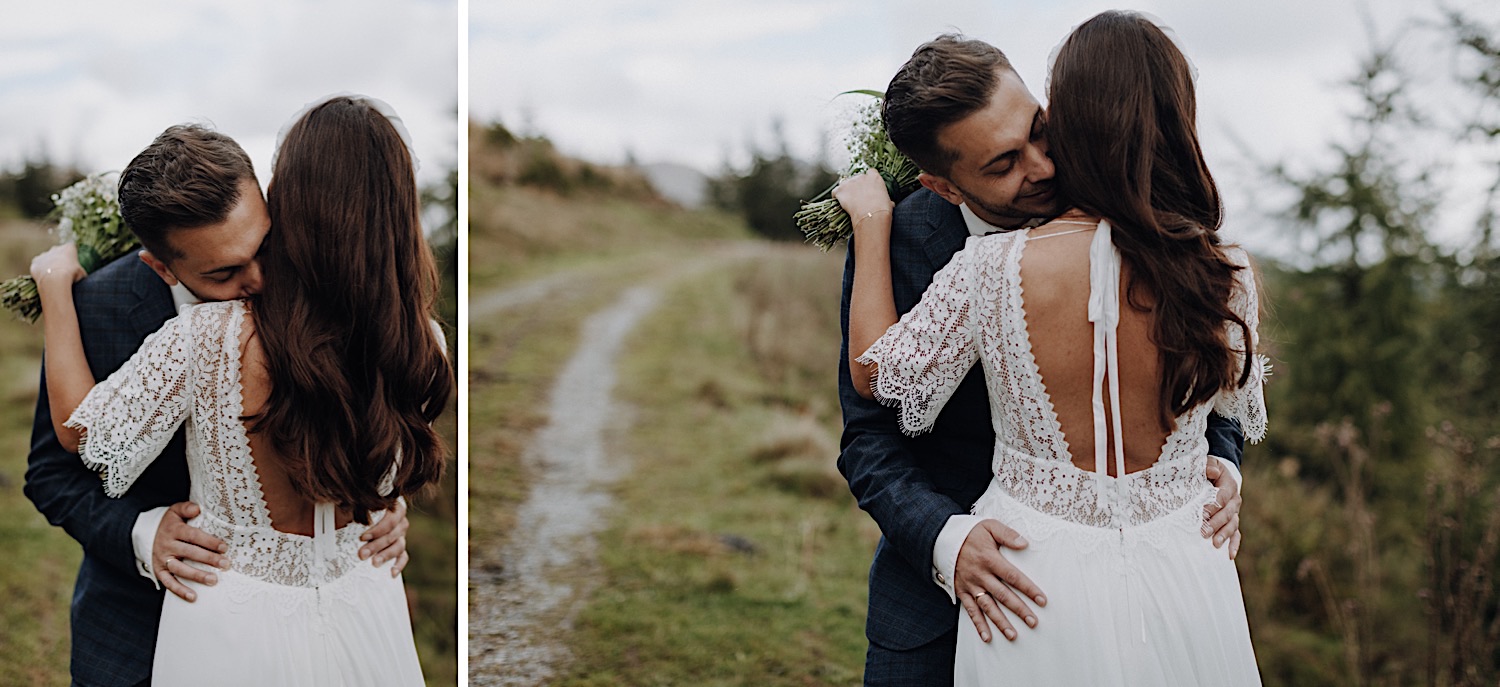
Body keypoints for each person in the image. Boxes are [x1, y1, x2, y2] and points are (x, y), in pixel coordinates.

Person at [836, 11, 1263, 684]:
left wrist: (1218, 473)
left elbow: (1216, 405)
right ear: (944, 185)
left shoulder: (1170, 242)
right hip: (954, 597)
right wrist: (948, 539)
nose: (1042, 167)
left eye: (1041, 131)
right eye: (1004, 163)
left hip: (1155, 570)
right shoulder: (903, 240)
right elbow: (866, 435)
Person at [28, 95, 450, 685]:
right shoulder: (419, 337)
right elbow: (51, 469)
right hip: (158, 617)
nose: (256, 282)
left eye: (268, 248)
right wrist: (140, 533)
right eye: (223, 273)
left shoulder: (213, 334)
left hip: (267, 619)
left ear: (281, 202)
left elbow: (85, 430)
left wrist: (382, 511)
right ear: (162, 267)